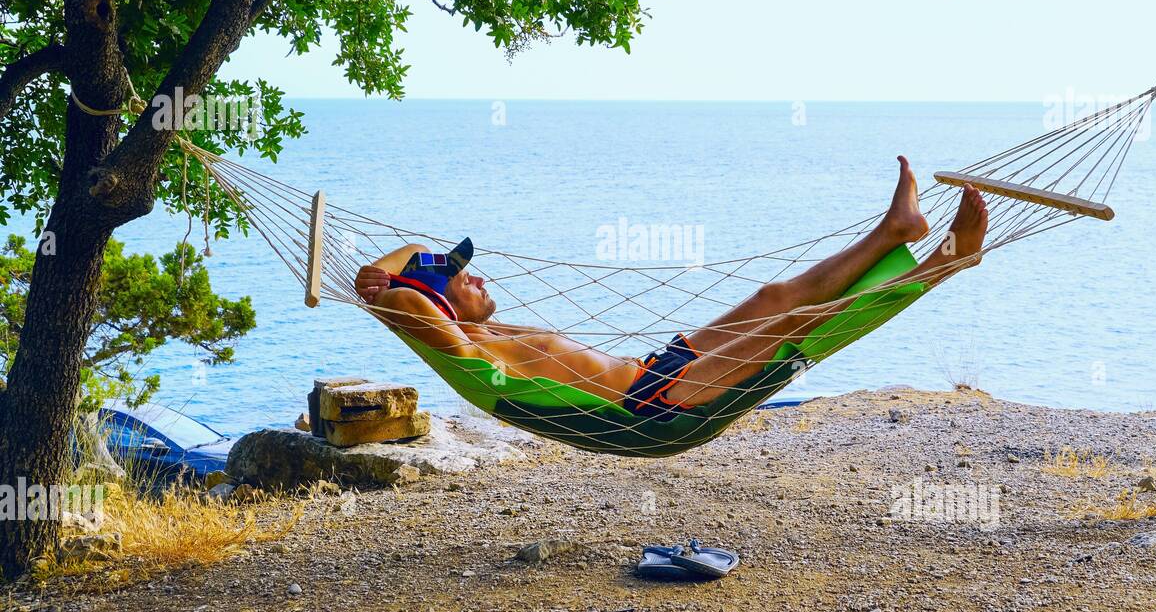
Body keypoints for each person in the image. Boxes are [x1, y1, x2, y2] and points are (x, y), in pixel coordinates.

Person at [354, 156, 987, 418]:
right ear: (439, 306)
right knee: (788, 328)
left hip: (659, 366)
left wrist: (393, 273)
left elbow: (412, 261)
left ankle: (892, 230)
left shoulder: (489, 331)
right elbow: (409, 295)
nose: (479, 275)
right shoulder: (470, 348)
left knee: (770, 298)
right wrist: (377, 285)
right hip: (655, 409)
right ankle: (946, 261)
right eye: (464, 279)